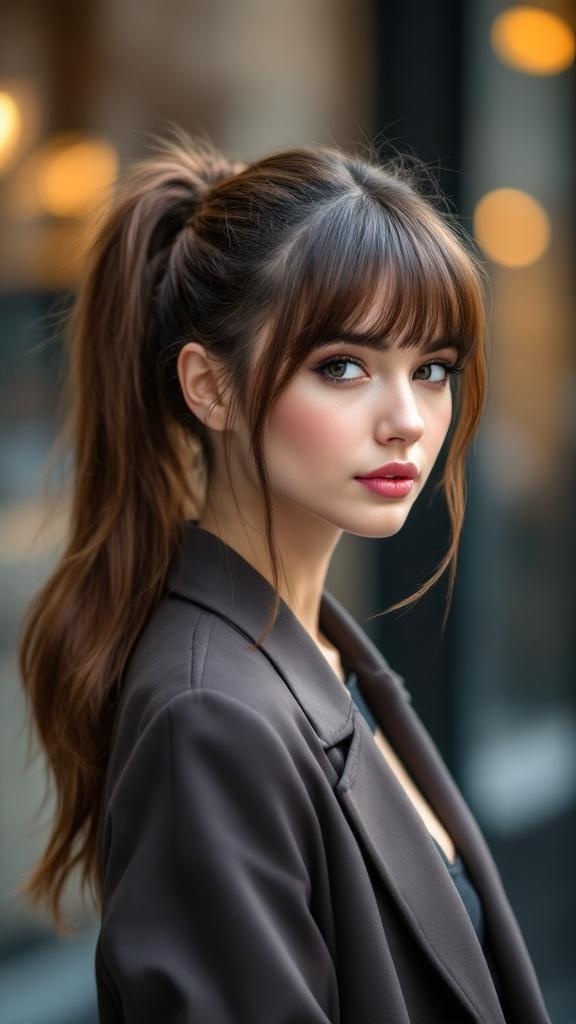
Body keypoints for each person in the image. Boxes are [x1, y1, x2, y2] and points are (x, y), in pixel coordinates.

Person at [19, 131, 551, 1023]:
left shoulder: (315, 650)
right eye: (343, 367)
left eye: (432, 370)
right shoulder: (209, 718)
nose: (408, 422)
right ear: (210, 388)